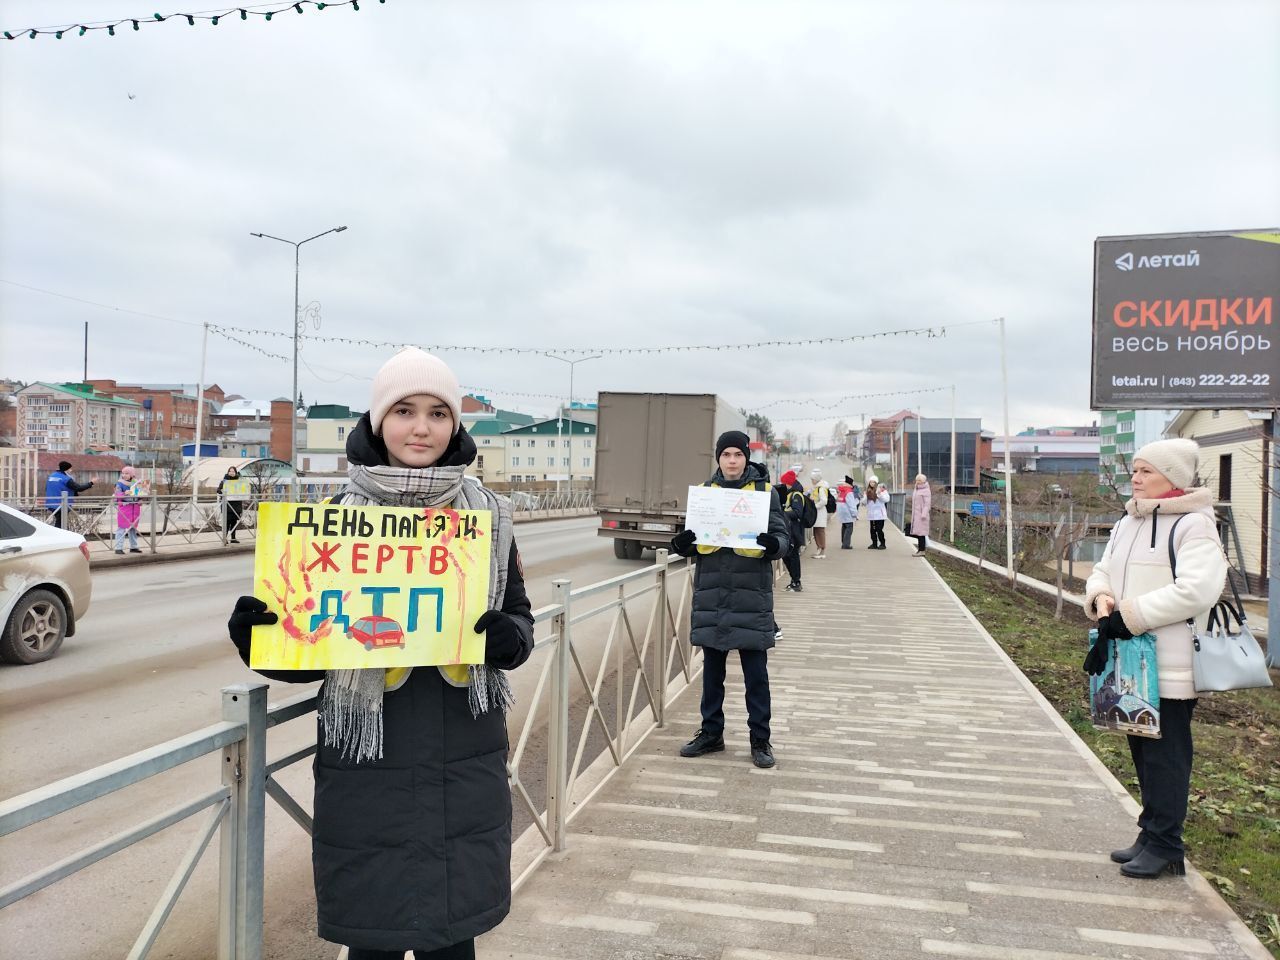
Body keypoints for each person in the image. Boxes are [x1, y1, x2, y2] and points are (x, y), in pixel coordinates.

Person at [226, 347, 535, 958]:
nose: (421, 427)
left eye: (438, 413)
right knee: (375, 940)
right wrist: (260, 638)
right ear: (375, 422)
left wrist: (509, 639)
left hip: (463, 759)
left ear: (455, 425)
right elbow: (310, 654)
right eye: (403, 410)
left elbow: (520, 622)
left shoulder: (488, 520)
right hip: (367, 767)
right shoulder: (332, 521)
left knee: (454, 942)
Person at [1083, 438, 1227, 880]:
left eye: (1146, 471)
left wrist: (1133, 615)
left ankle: (1167, 844)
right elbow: (1102, 567)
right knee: (1142, 749)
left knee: (1166, 755)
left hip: (1171, 662)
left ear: (1174, 478)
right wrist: (1101, 595)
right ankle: (1150, 833)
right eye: (1136, 469)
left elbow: (1198, 589)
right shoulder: (1130, 520)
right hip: (1131, 659)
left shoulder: (1194, 525)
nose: (1136, 477)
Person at [670, 430, 789, 769]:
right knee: (711, 674)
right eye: (726, 455)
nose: (732, 461)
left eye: (738, 454)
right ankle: (711, 734)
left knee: (756, 675)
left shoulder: (765, 493)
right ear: (718, 459)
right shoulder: (706, 494)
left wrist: (773, 545)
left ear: (746, 458)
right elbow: (696, 540)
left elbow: (783, 538)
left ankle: (760, 739)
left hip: (751, 597)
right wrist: (682, 544)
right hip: (713, 595)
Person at [778, 469, 806, 591]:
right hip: (789, 530)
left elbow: (797, 513)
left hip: (795, 531)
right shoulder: (789, 494)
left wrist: (782, 513)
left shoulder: (796, 495)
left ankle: (796, 582)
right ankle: (794, 581)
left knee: (793, 556)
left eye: (784, 483)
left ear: (788, 483)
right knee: (787, 556)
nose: (782, 485)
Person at [44, 460, 93, 528]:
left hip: (51, 503)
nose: (71, 470)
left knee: (59, 521)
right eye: (70, 468)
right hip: (61, 504)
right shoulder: (66, 479)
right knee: (60, 523)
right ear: (66, 469)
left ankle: (60, 535)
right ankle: (60, 537)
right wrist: (91, 483)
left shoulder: (52, 476)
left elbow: (47, 488)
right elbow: (79, 488)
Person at [113, 466, 143, 554]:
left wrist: (141, 499)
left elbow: (140, 494)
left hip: (135, 508)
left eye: (127, 473)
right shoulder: (119, 483)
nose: (124, 475)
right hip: (125, 508)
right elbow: (117, 495)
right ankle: (118, 548)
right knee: (121, 528)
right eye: (123, 473)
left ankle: (134, 547)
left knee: (133, 529)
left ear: (132, 474)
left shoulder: (137, 482)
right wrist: (124, 493)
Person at [217, 465, 246, 544]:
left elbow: (244, 489)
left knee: (234, 522)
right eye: (230, 471)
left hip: (236, 504)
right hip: (227, 504)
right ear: (228, 472)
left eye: (233, 471)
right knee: (227, 522)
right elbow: (218, 490)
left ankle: (233, 538)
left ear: (236, 472)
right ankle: (224, 538)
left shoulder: (239, 481)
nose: (231, 473)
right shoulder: (224, 481)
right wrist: (223, 492)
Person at [808, 468, 832, 559]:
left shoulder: (821, 488)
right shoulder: (816, 488)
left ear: (816, 479)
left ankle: (822, 550)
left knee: (820, 531)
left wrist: (815, 506)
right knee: (816, 531)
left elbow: (824, 501)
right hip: (816, 513)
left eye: (812, 479)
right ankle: (818, 548)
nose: (812, 480)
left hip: (820, 513)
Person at [863, 475, 889, 549]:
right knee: (872, 530)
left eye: (873, 482)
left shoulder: (882, 490)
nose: (872, 483)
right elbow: (864, 502)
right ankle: (874, 543)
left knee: (879, 529)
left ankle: (882, 543)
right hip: (871, 514)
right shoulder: (868, 491)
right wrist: (865, 496)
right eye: (870, 482)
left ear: (876, 483)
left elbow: (886, 500)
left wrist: (879, 494)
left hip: (880, 514)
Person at [910, 473, 932, 556]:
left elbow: (927, 504)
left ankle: (922, 550)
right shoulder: (917, 489)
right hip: (916, 514)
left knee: (921, 533)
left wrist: (924, 514)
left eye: (919, 480)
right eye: (917, 480)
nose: (917, 482)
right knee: (918, 533)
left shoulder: (926, 490)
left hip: (922, 516)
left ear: (923, 481)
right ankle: (920, 550)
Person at [836, 475, 860, 549]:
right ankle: (846, 544)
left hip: (841, 512)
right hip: (847, 512)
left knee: (844, 527)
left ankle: (843, 542)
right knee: (849, 528)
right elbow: (851, 504)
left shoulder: (841, 491)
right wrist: (855, 514)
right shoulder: (849, 492)